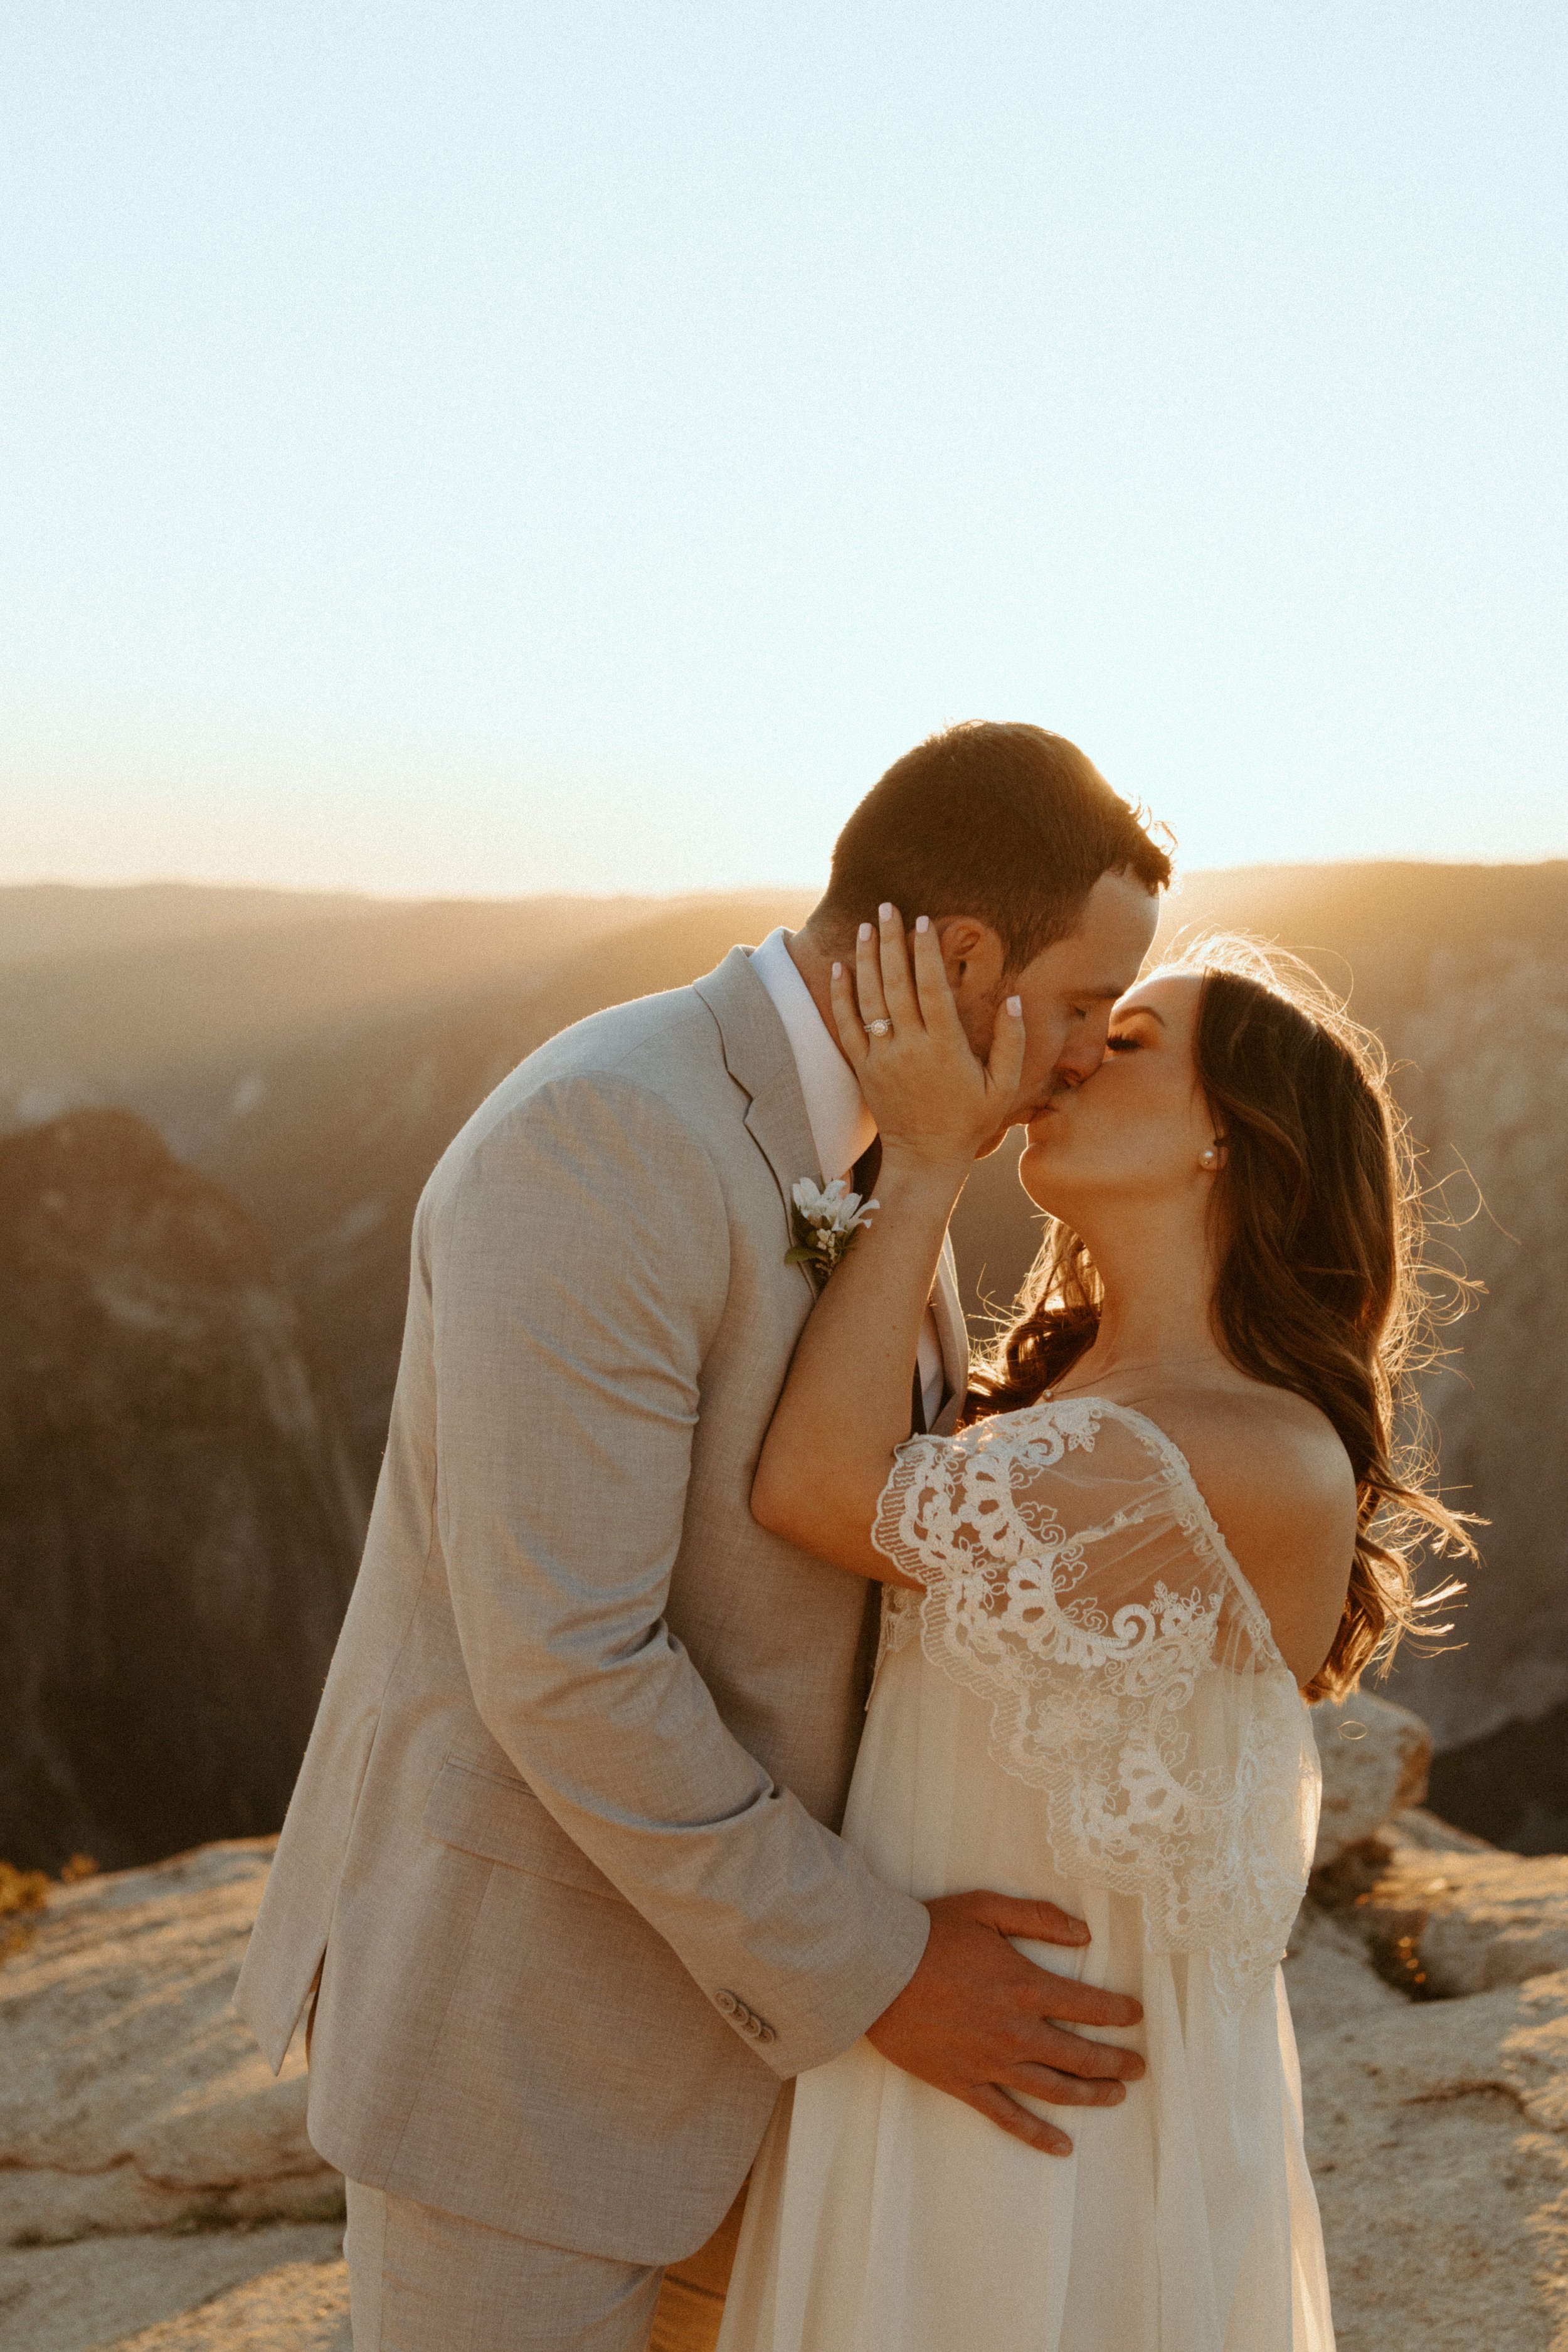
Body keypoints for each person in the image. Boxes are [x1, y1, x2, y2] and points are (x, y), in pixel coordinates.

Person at [233, 724, 1171, 2351]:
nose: (1092, 1049)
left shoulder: (889, 1146)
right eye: (1083, 1001)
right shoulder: (605, 1136)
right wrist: (880, 1965)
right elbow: (568, 1663)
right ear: (959, 955)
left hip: (740, 2064)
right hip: (524, 2051)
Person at [719, 913, 1470, 2352]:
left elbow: (814, 1490)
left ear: (1227, 1143)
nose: (1063, 1060)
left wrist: (931, 1156)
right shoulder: (1058, 1405)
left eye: (1125, 1043)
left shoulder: (1239, 1450)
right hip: (950, 2031)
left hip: (1053, 2103)